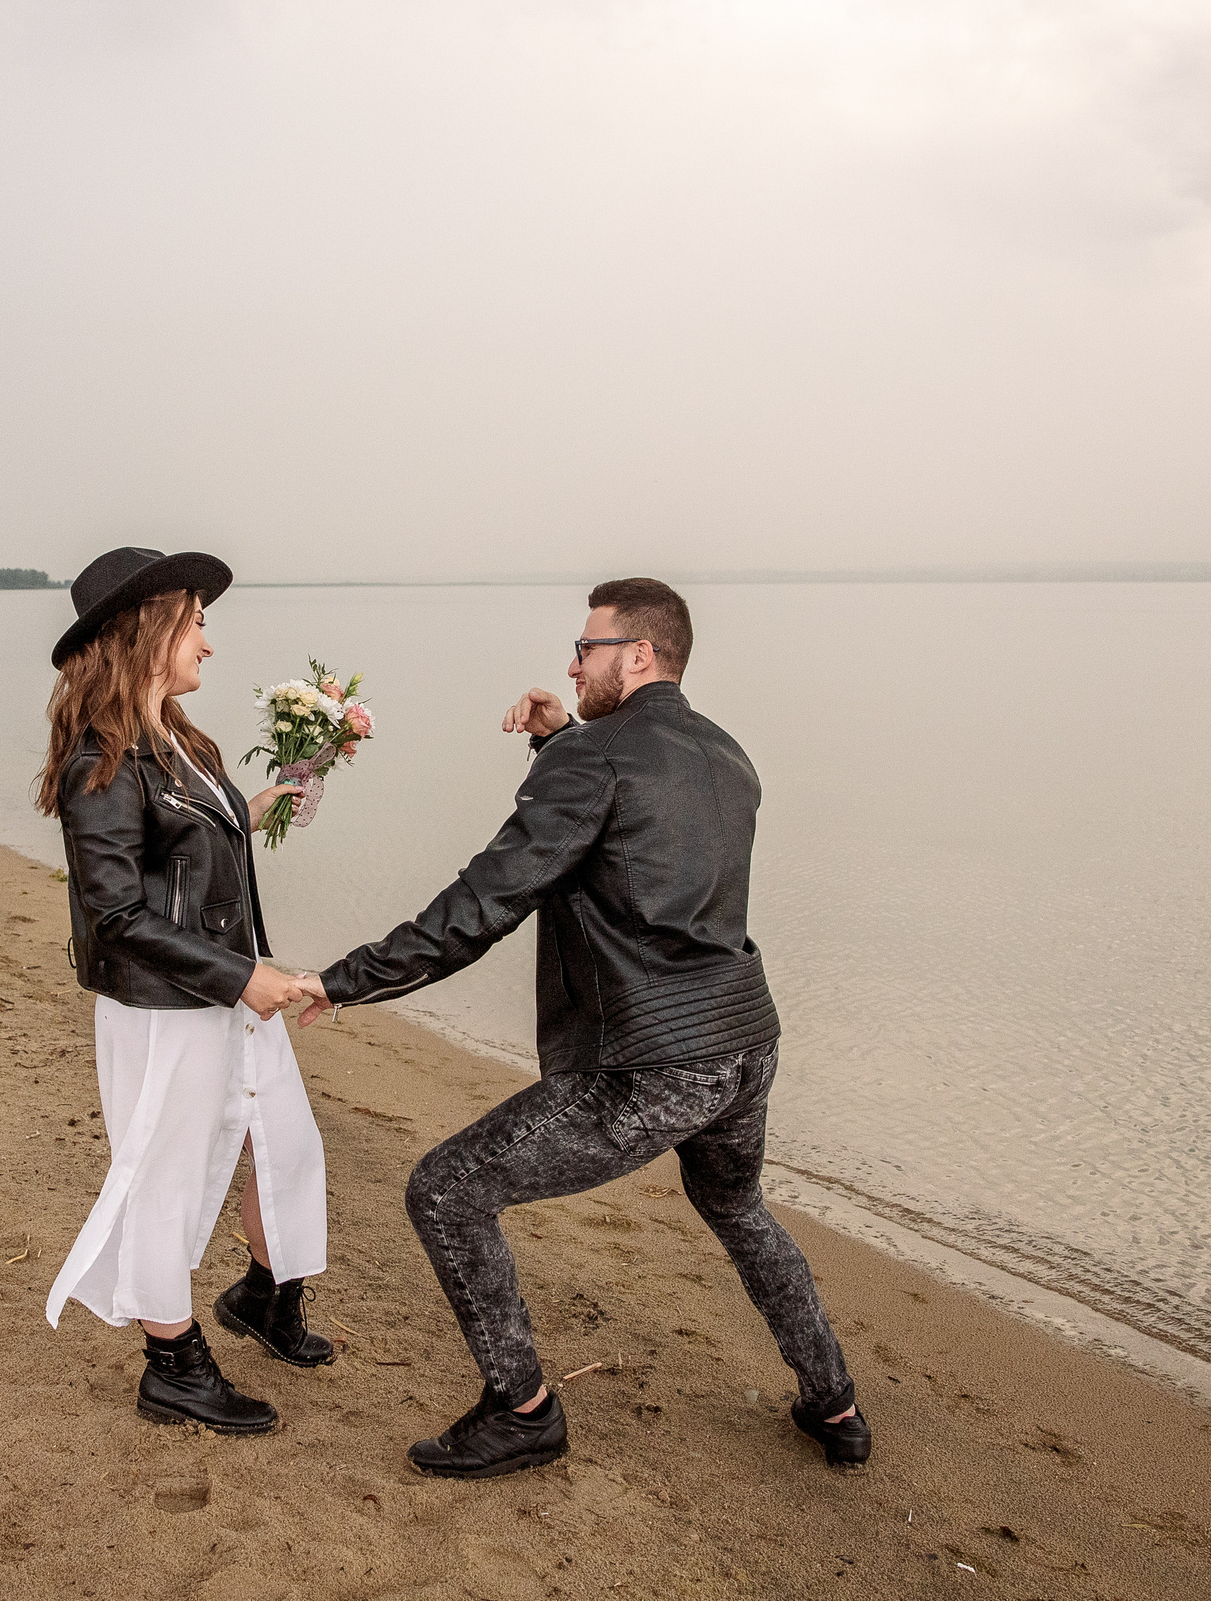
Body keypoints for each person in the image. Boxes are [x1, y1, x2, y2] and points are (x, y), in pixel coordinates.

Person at [300, 577, 867, 1478]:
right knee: (736, 1206)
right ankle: (834, 1401)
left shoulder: (595, 758)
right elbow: (634, 829)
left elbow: (483, 903)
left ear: (638, 653)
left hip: (652, 1062)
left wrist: (341, 981)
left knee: (445, 1189)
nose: (572, 661)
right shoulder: (728, 755)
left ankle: (521, 1410)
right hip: (746, 1040)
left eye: (586, 646)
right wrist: (560, 734)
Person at [39, 546, 336, 1437]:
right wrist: (249, 976)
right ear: (144, 633)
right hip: (168, 1006)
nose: (208, 640)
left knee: (281, 1140)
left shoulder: (178, 736)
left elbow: (200, 829)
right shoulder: (100, 759)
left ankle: (263, 1292)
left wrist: (279, 793)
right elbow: (119, 913)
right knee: (164, 1176)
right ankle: (171, 1362)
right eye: (195, 620)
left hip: (227, 988)